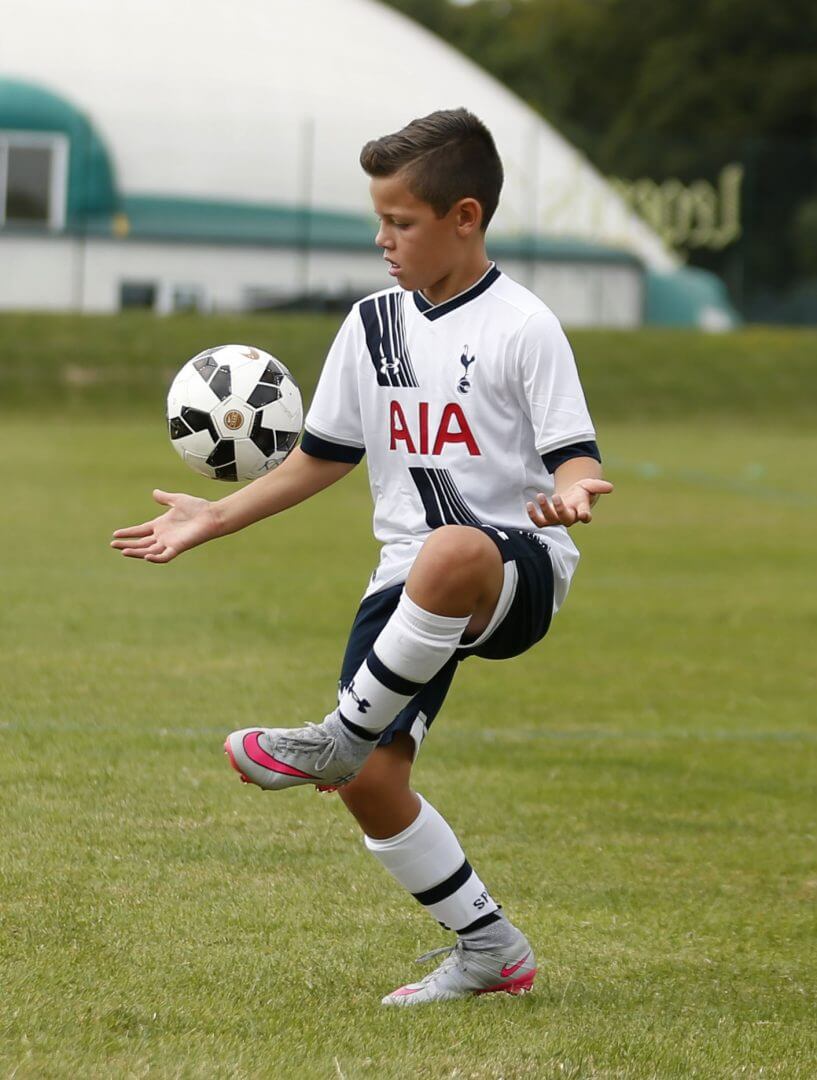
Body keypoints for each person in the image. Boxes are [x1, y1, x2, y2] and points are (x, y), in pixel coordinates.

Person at [111, 108, 612, 1006]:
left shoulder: (522, 325)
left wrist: (572, 490)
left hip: (514, 566)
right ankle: (490, 949)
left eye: (402, 223)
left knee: (452, 551)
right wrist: (212, 518)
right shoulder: (371, 323)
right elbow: (321, 457)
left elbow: (574, 451)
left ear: (465, 217)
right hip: (406, 576)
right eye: (377, 221)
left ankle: (335, 737)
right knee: (376, 785)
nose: (383, 240)